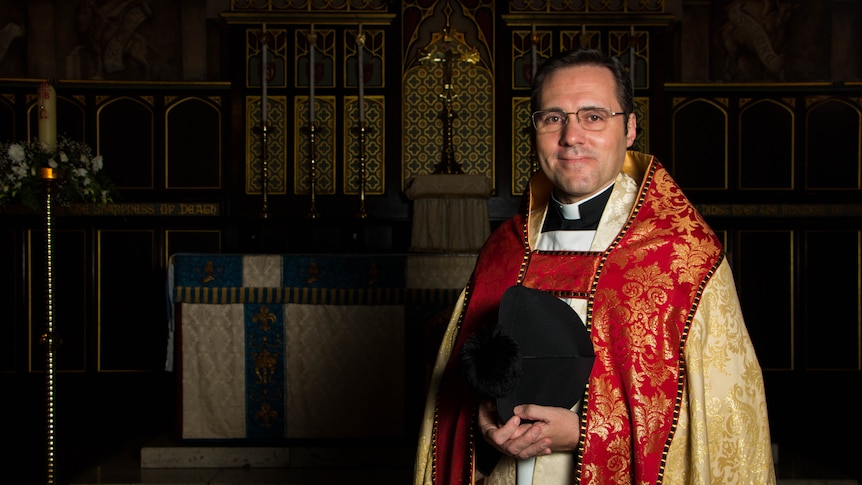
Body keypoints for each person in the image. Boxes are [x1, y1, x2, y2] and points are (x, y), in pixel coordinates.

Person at [413, 48, 776, 484]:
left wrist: (588, 434)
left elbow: (719, 424)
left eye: (593, 116)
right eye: (553, 118)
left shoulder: (682, 255)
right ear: (535, 131)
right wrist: (483, 419)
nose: (571, 137)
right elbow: (456, 396)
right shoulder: (505, 248)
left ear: (630, 129)